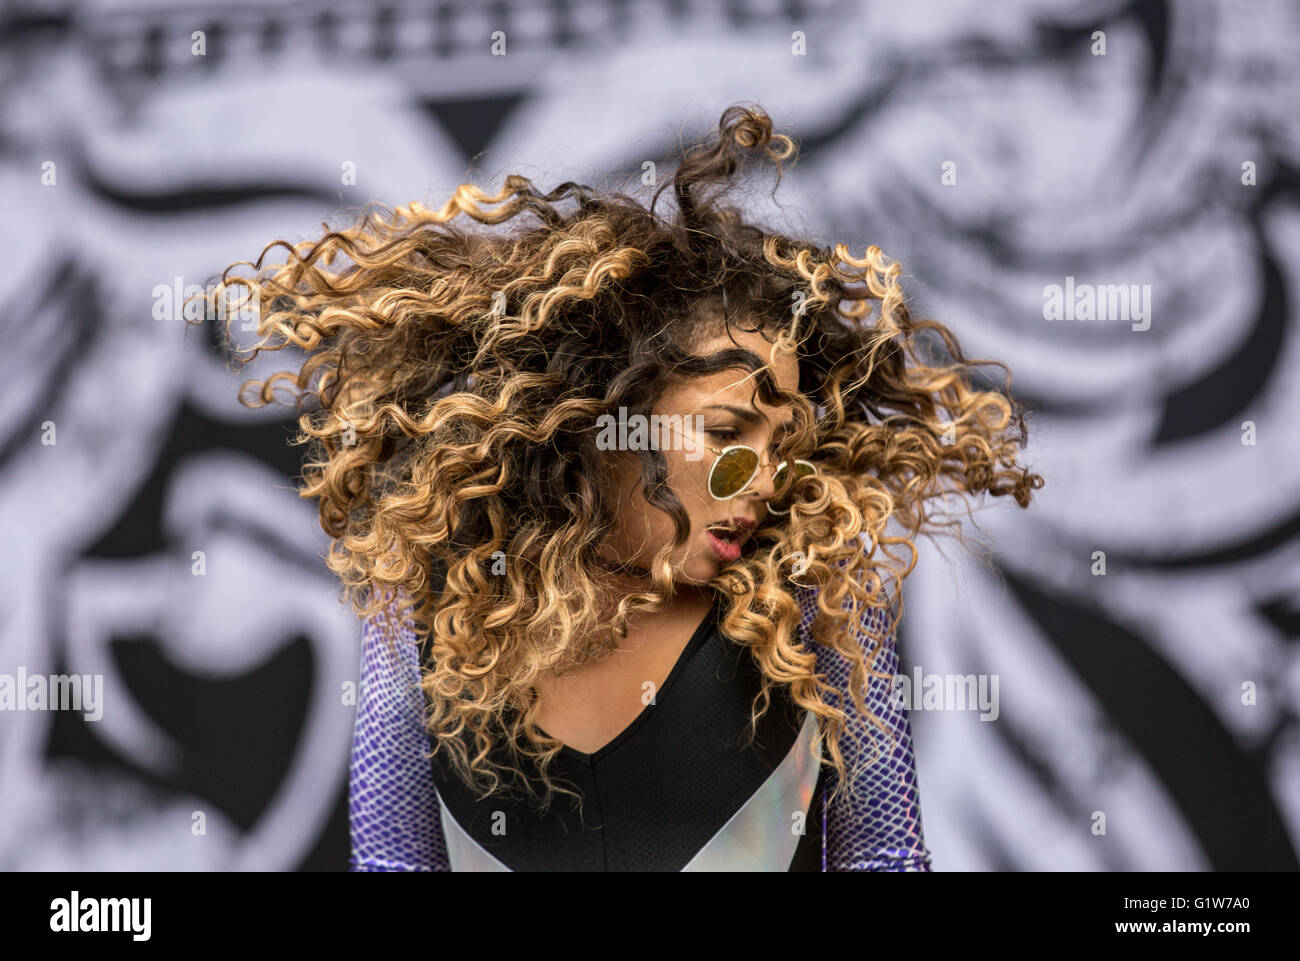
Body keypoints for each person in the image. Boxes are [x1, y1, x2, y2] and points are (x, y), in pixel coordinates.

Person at [200, 103, 1044, 871]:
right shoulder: (424, 612)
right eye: (723, 432)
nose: (764, 480)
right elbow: (391, 865)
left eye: (780, 443)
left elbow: (886, 858)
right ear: (609, 422)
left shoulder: (818, 603)